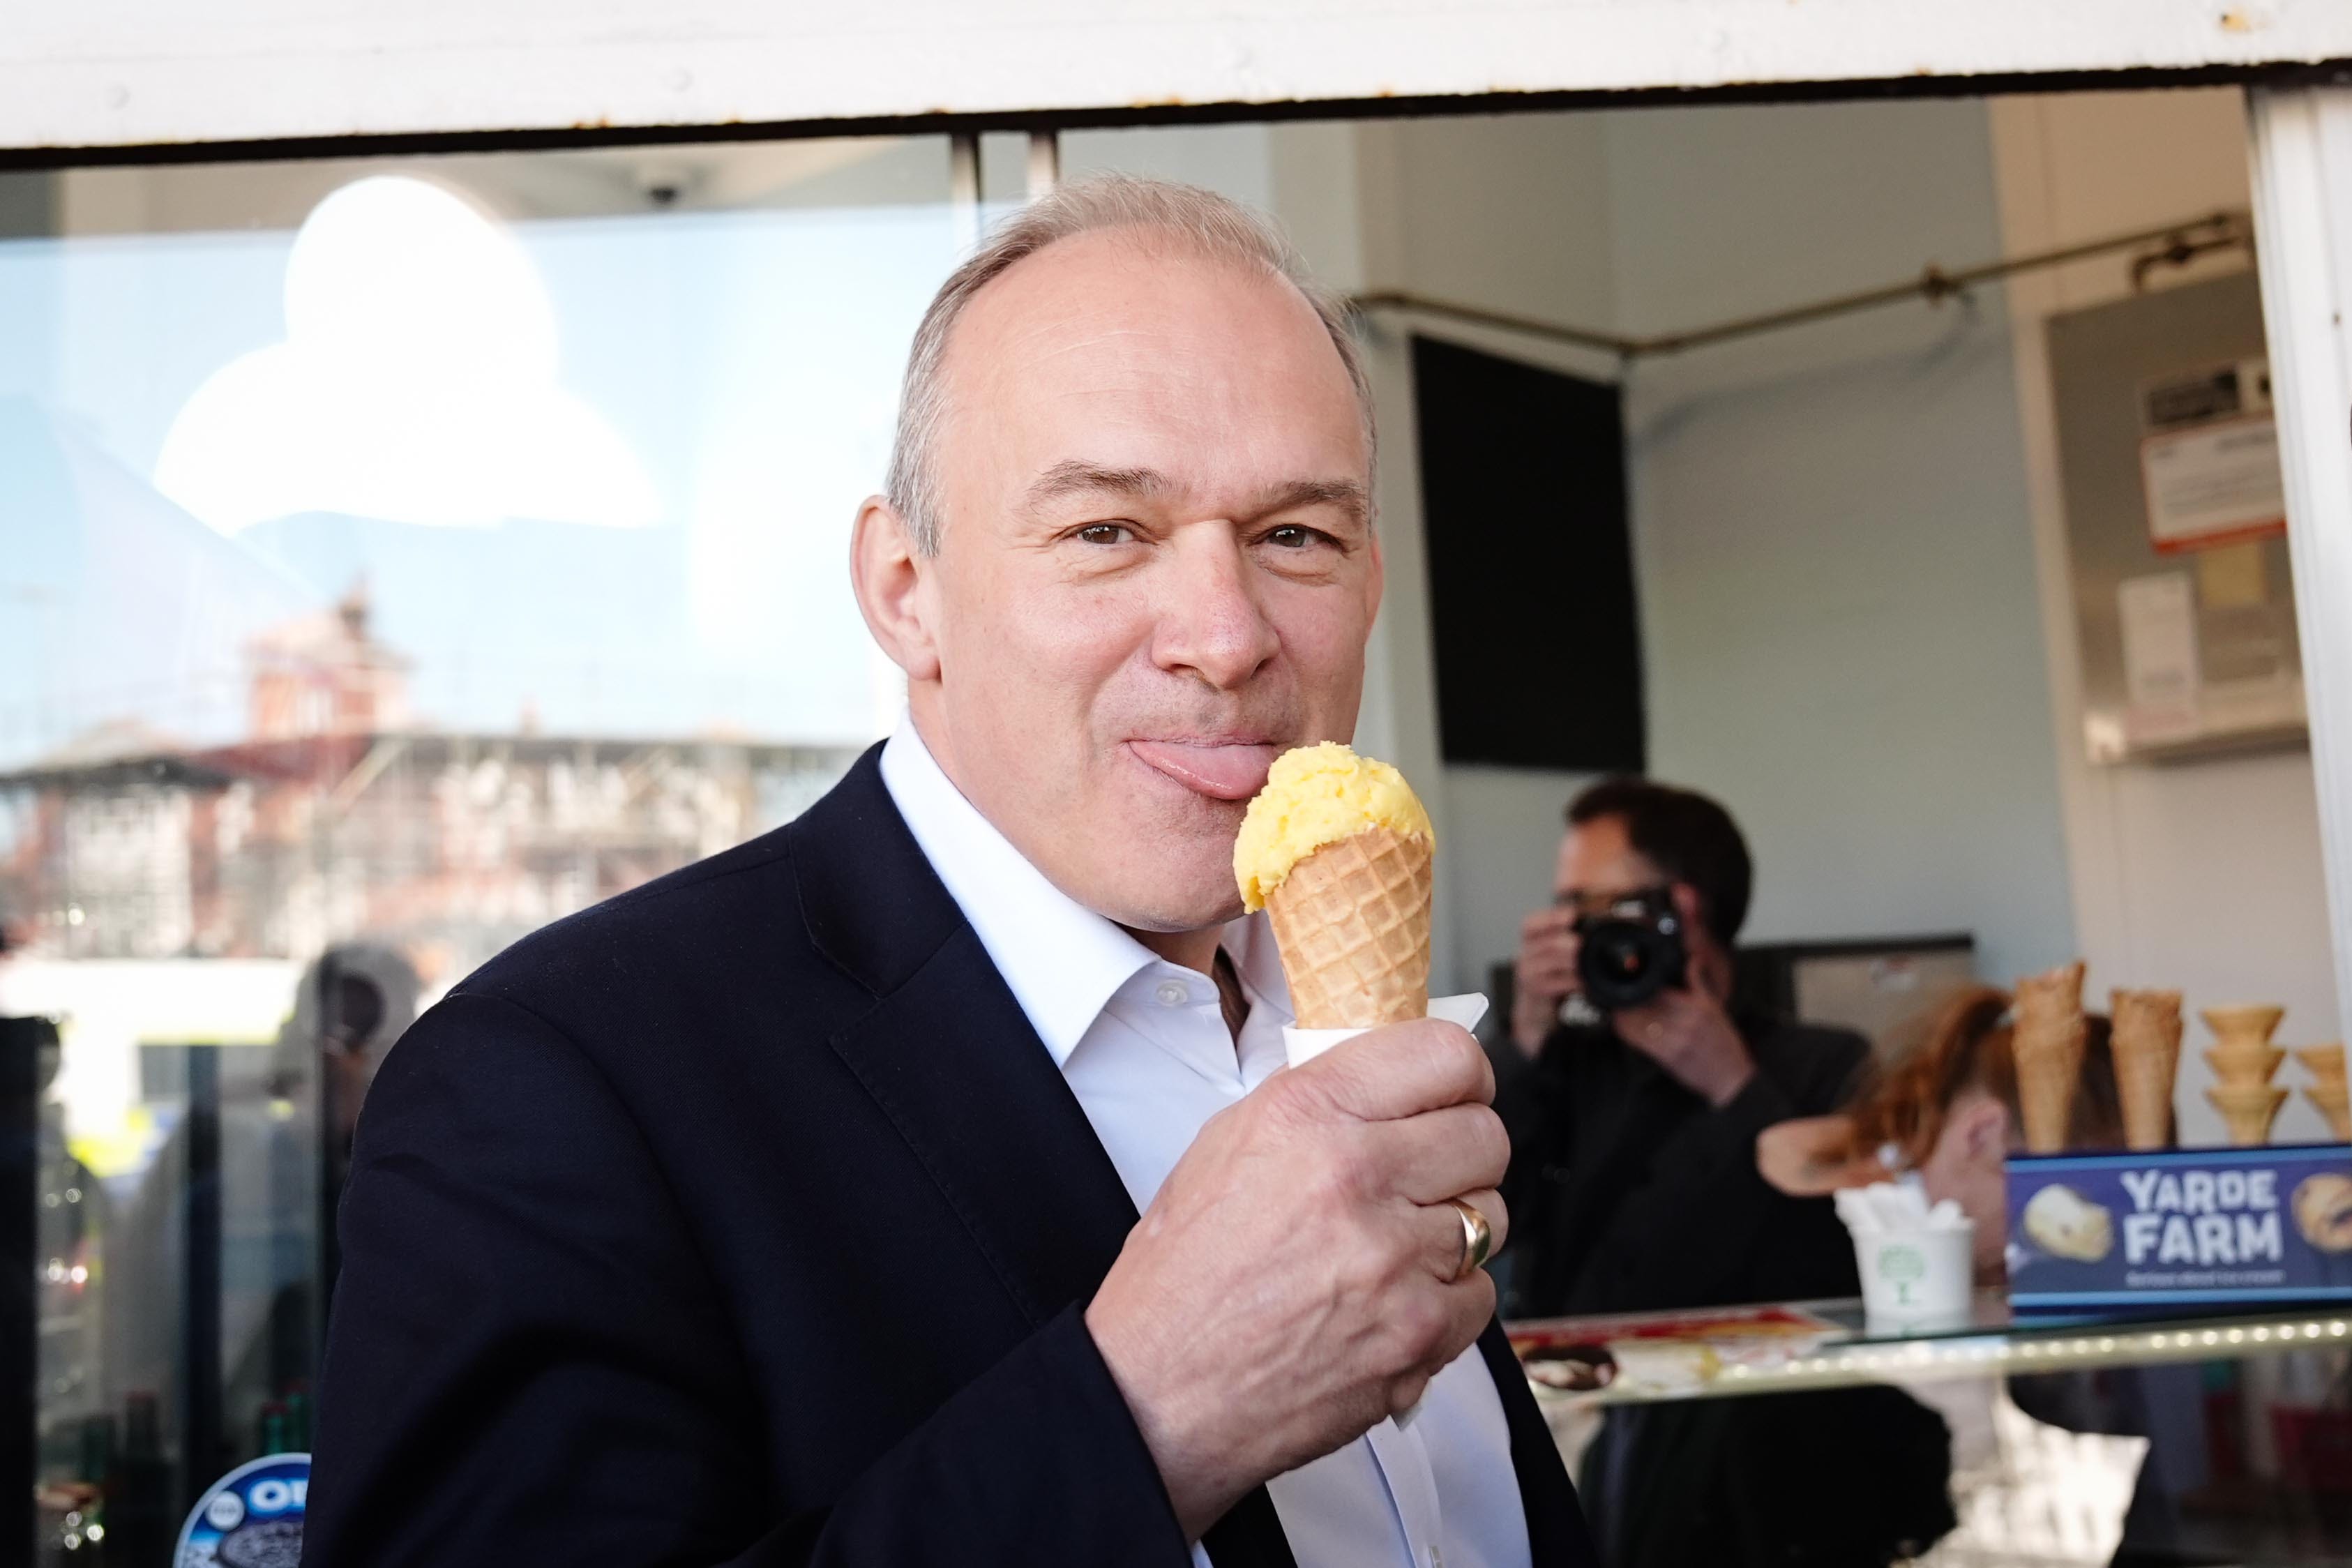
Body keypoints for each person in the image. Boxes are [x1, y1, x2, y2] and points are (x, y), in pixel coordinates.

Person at [299, 177, 1594, 1567]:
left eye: (1297, 535)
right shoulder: (555, 1083)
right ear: (906, 590)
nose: (1225, 634)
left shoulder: (1354, 1030)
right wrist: (1152, 1413)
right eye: (1107, 530)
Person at [1498, 777, 1869, 1318]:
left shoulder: (1827, 1065)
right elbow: (1486, 1221)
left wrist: (1736, 1089)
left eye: (1592, 906)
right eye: (1563, 909)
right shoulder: (1566, 1062)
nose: (1573, 929)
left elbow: (1837, 1260)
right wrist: (1526, 1033)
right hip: (1575, 1386)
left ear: (1685, 908)